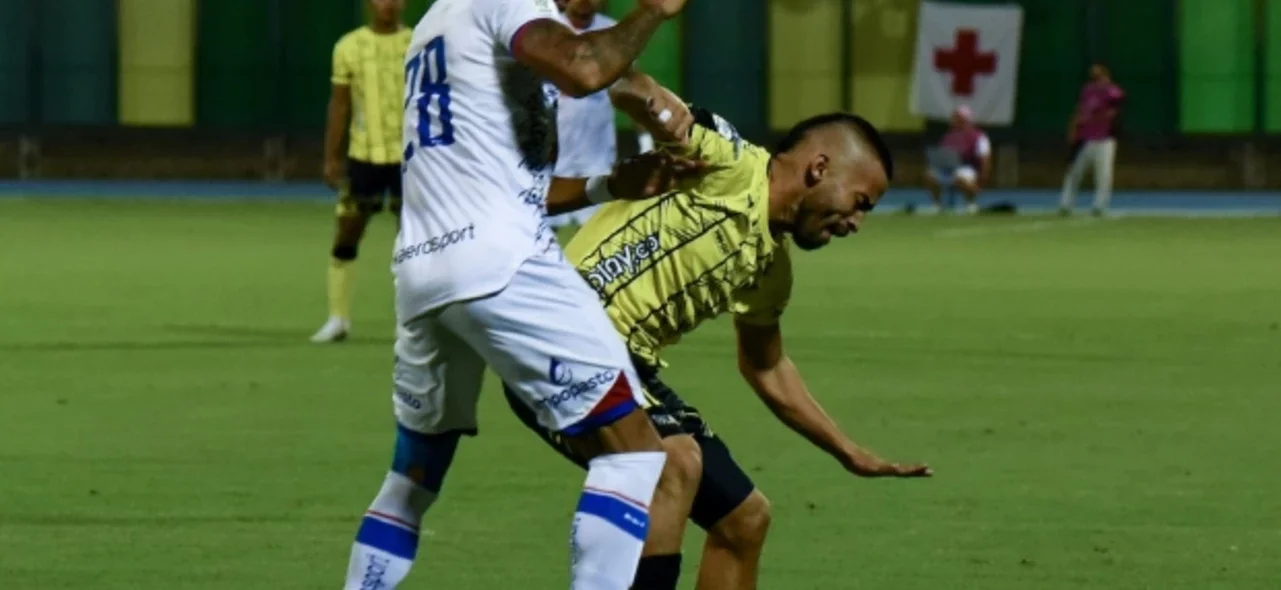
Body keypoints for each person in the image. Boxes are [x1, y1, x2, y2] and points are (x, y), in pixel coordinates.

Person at [505, 78, 933, 590]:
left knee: (744, 519)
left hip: (625, 364)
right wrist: (599, 77)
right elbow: (647, 96)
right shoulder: (728, 161)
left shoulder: (771, 271)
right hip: (560, 334)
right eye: (861, 201)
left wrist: (848, 451)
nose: (858, 222)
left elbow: (766, 365)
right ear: (819, 168)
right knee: (673, 462)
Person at [341, 0, 693, 588]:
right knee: (633, 450)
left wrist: (610, 184)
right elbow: (584, 68)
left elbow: (506, 182)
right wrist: (653, 11)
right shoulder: (505, 3)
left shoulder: (434, 23)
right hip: (503, 266)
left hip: (423, 270)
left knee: (412, 480)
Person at [313, 0, 411, 343]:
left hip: (409, 160)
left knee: (412, 242)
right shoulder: (349, 46)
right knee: (347, 233)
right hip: (363, 158)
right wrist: (331, 156)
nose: (389, 4)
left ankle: (408, 321)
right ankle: (338, 318)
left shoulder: (417, 43)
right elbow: (339, 103)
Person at [545, 0, 620, 231]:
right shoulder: (546, 29)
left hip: (596, 151)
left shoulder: (613, 32)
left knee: (597, 228)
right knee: (544, 221)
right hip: (553, 149)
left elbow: (627, 87)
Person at [1061, 63, 1124, 217]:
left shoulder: (1111, 91)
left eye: (1099, 74)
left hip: (1105, 139)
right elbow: (1080, 110)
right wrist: (1074, 129)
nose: (1096, 77)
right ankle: (1065, 204)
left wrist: (1110, 111)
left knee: (1103, 174)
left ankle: (1099, 205)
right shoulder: (1087, 90)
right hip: (1086, 138)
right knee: (1074, 172)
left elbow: (1119, 100)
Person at [924, 105, 991, 215]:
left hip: (968, 168)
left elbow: (985, 159)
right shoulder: (949, 136)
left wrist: (982, 178)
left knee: (961, 177)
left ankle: (971, 203)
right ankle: (937, 205)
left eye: (959, 119)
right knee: (930, 175)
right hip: (948, 168)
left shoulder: (979, 137)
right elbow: (944, 153)